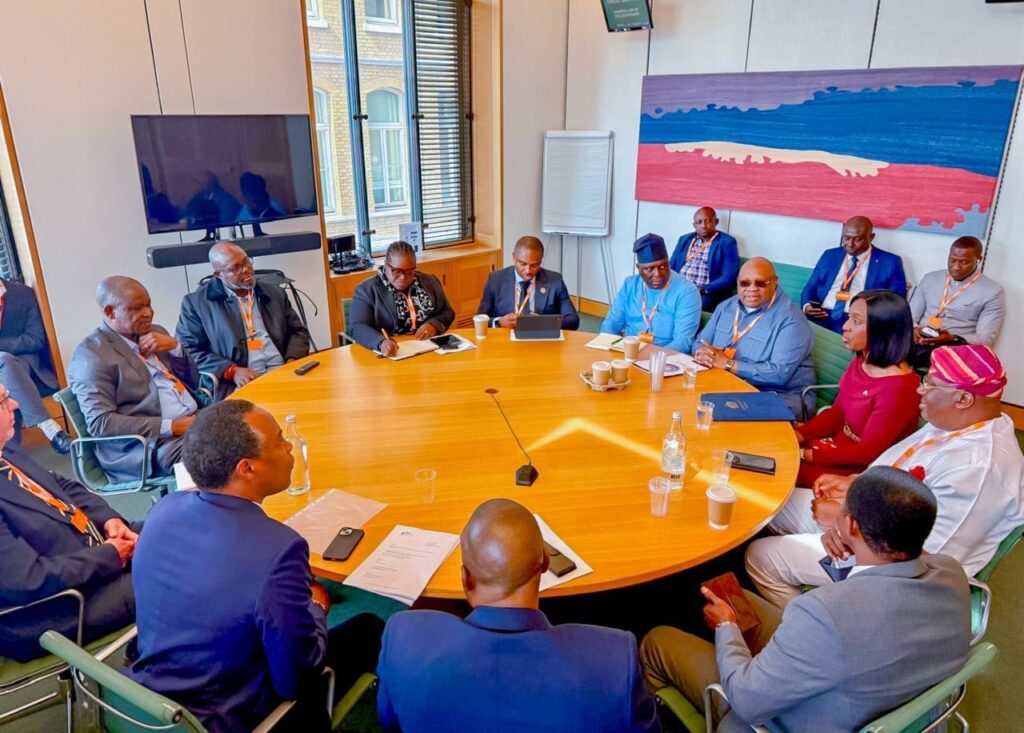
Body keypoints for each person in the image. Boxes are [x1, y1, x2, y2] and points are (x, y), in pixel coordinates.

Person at [641, 467, 970, 733]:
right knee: (741, 599)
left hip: (779, 718)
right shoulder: (951, 572)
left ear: (852, 524)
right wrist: (849, 554)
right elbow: (872, 590)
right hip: (872, 685)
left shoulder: (823, 614)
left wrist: (726, 628)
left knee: (657, 641)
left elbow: (746, 700)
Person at [129, 400, 383, 733]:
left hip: (147, 704)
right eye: (280, 441)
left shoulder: (165, 509)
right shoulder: (278, 549)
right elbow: (297, 678)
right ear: (247, 468)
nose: (289, 446)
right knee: (369, 629)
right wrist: (317, 607)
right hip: (228, 718)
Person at [747, 344, 1024, 608]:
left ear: (963, 399)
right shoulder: (959, 423)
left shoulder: (980, 471)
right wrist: (854, 484)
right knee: (768, 501)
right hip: (868, 521)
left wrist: (847, 529)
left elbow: (927, 560)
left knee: (761, 558)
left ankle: (813, 632)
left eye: (930, 384)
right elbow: (902, 473)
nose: (920, 389)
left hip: (892, 572)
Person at [376, 498, 658, 733]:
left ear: (465, 578)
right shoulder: (614, 660)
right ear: (544, 563)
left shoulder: (403, 637)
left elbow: (390, 722)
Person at [0, 381, 136, 662]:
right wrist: (110, 555)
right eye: (3, 402)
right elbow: (30, 580)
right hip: (54, 609)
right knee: (169, 574)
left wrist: (109, 520)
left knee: (172, 528)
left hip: (87, 550)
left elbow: (62, 485)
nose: (15, 405)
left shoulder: (7, 449)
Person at [69, 277, 201, 484]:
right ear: (110, 312)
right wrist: (171, 426)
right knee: (218, 450)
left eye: (149, 305)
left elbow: (194, 382)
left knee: (247, 427)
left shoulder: (156, 333)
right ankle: (193, 502)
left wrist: (176, 348)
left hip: (193, 420)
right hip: (148, 446)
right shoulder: (91, 355)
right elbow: (100, 423)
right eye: (137, 308)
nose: (148, 313)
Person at [794, 290, 920, 486]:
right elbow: (837, 412)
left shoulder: (900, 389)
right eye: (849, 318)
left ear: (882, 329)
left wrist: (803, 454)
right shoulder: (863, 360)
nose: (845, 326)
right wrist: (799, 436)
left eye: (856, 321)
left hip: (856, 473)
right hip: (834, 449)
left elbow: (866, 453)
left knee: (775, 469)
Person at [177, 242, 311, 397]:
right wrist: (231, 370)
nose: (246, 269)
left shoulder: (274, 293)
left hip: (284, 372)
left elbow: (298, 331)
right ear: (218, 274)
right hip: (239, 382)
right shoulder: (196, 304)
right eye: (235, 268)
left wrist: (292, 361)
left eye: (247, 262)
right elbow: (189, 349)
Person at [694, 258, 815, 419]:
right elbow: (699, 342)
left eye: (760, 283)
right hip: (729, 385)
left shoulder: (791, 320)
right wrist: (704, 354)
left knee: (715, 417)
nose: (752, 289)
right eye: (745, 283)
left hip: (777, 396)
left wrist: (728, 364)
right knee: (686, 402)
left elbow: (779, 374)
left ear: (775, 282)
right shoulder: (726, 307)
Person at [0, 277, 72, 452]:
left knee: (5, 361)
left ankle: (10, 457)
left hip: (20, 366)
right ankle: (52, 431)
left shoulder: (23, 294)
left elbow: (35, 339)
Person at [909, 236, 1005, 368]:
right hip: (917, 343)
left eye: (964, 262)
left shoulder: (992, 291)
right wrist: (914, 329)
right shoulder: (930, 278)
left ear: (979, 259)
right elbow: (909, 316)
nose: (955, 267)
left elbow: (986, 338)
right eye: (952, 260)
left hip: (954, 350)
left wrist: (953, 338)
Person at [801, 216, 907, 333]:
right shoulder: (830, 255)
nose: (850, 244)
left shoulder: (889, 261)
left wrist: (872, 319)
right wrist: (807, 305)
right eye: (846, 238)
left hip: (858, 319)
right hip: (821, 313)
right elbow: (810, 287)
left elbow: (896, 301)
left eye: (857, 239)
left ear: (871, 237)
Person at [349, 240, 455, 356]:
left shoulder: (430, 281)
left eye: (409, 272)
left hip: (428, 349)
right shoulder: (366, 290)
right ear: (386, 265)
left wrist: (433, 325)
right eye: (396, 271)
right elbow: (357, 327)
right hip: (392, 352)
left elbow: (447, 312)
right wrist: (381, 342)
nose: (403, 277)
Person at [601, 233, 701, 353]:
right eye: (650, 269)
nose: (658, 274)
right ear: (638, 268)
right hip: (628, 352)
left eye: (663, 267)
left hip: (665, 358)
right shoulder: (630, 285)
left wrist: (650, 359)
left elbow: (683, 342)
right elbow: (610, 325)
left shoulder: (687, 292)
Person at [476, 235, 580, 330]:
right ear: (514, 257)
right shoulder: (495, 279)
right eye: (523, 264)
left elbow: (573, 319)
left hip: (541, 338)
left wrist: (545, 323)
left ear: (541, 260)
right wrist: (499, 322)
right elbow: (479, 319)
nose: (528, 271)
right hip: (506, 337)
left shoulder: (555, 281)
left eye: (534, 265)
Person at [668, 207, 739, 311]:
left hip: (704, 292)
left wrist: (703, 289)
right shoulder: (684, 239)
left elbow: (728, 277)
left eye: (708, 221)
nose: (703, 226)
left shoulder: (726, 242)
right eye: (699, 222)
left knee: (683, 306)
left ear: (716, 221)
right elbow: (670, 267)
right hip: (680, 287)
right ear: (694, 225)